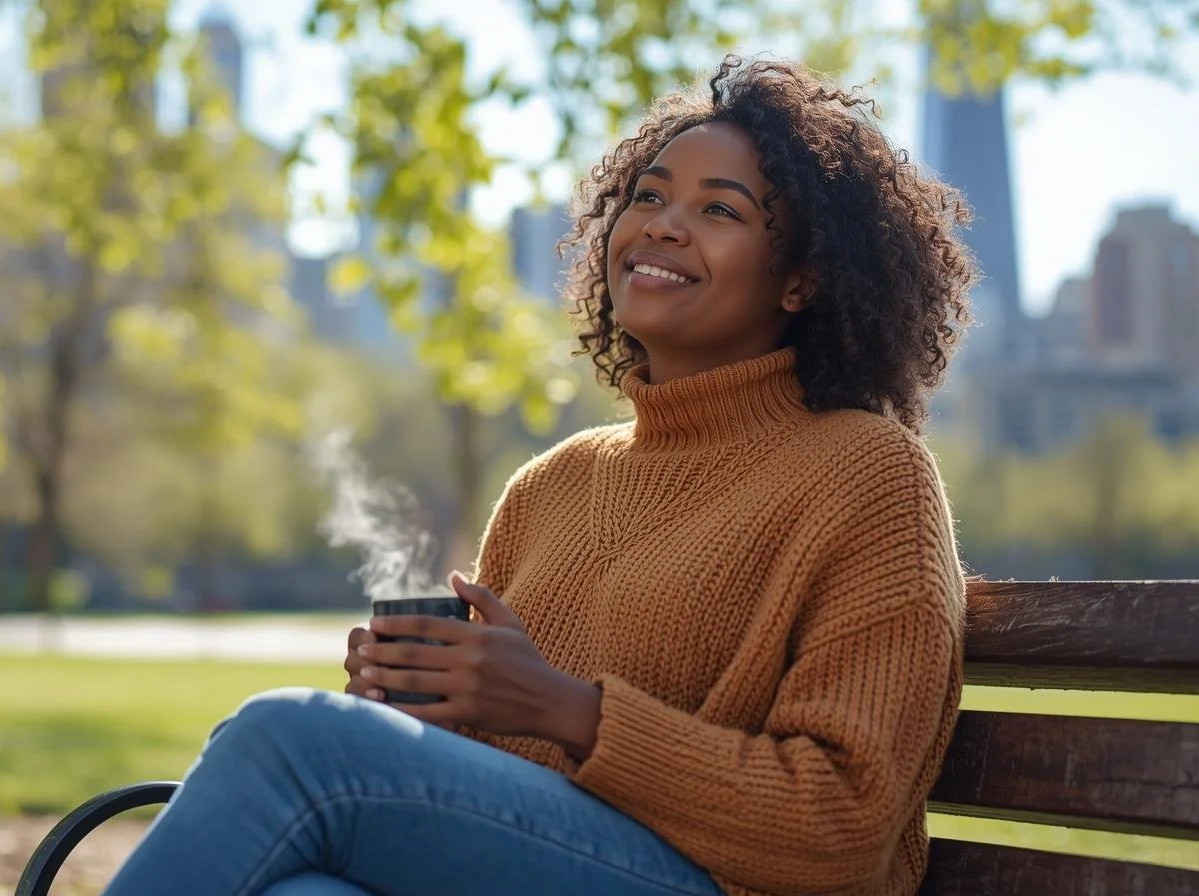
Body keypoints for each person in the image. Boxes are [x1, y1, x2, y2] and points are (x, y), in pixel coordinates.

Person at [104, 54, 974, 896]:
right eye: (648, 196)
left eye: (721, 211)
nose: (663, 224)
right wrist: (430, 718)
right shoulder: (552, 484)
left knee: (289, 742)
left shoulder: (869, 477)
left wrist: (568, 710)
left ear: (802, 280)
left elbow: (842, 822)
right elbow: (505, 787)